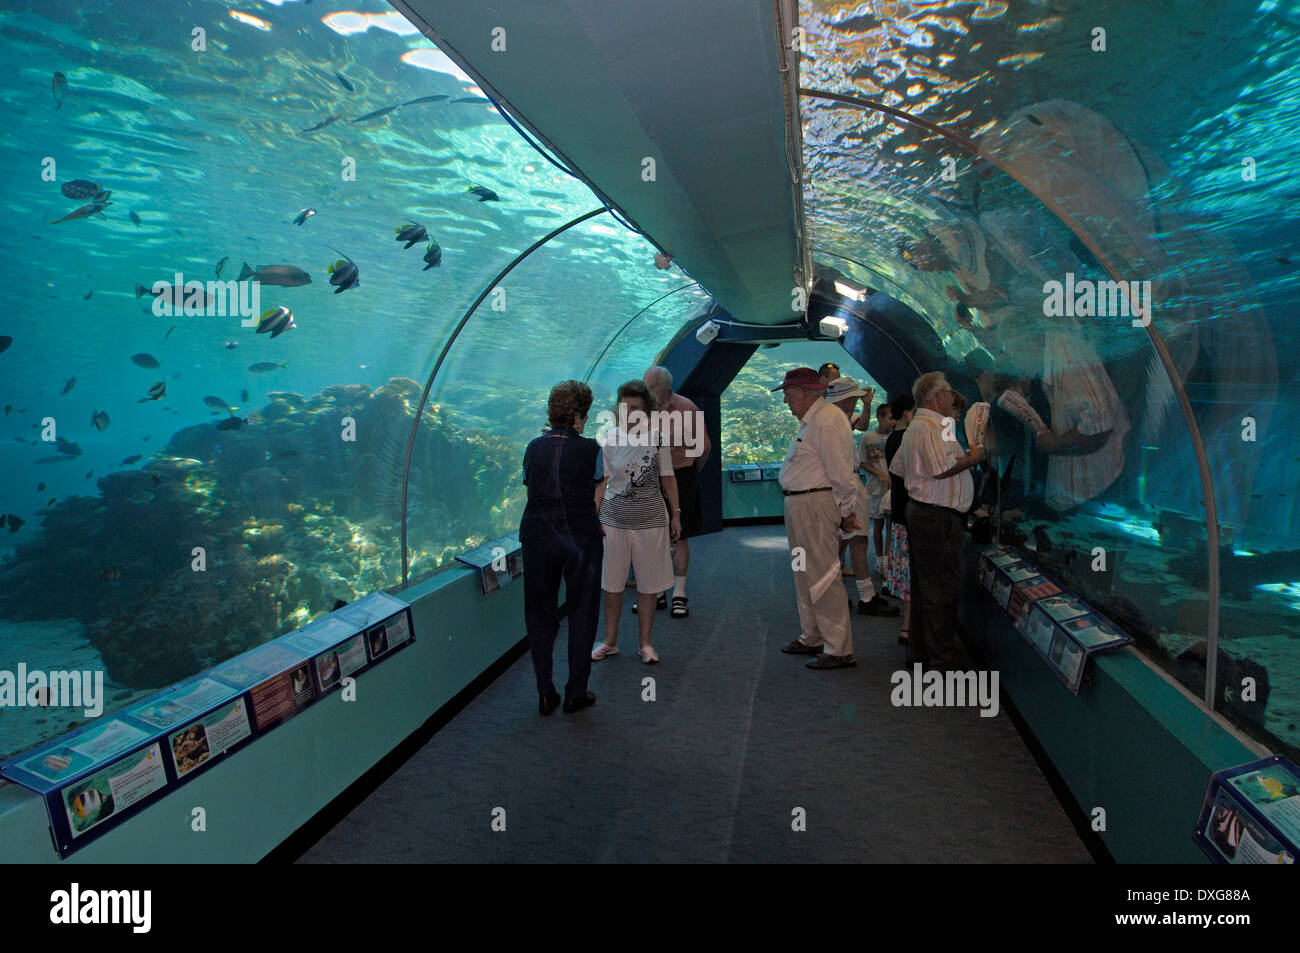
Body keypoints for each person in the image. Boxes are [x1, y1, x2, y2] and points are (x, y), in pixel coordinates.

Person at [889, 372, 985, 670]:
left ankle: (921, 654)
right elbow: (942, 469)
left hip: (926, 513)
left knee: (925, 588)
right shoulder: (930, 426)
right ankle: (941, 660)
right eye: (948, 391)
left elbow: (900, 468)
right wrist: (976, 457)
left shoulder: (921, 426)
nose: (952, 396)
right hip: (937, 518)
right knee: (941, 590)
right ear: (936, 396)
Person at [520, 380, 603, 715]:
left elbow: (531, 483)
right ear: (581, 416)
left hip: (537, 535)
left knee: (539, 612)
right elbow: (597, 486)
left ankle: (544, 691)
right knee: (582, 611)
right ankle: (575, 692)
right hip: (580, 535)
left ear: (551, 413)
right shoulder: (592, 449)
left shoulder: (532, 447)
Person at [773, 367, 862, 669]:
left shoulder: (824, 421)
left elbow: (841, 473)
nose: (785, 400)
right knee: (803, 571)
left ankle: (838, 648)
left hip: (814, 504)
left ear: (806, 392)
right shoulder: (814, 421)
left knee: (823, 574)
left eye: (788, 393)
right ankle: (812, 634)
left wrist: (847, 512)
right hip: (800, 505)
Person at [592, 380, 680, 665]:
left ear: (647, 410)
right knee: (612, 585)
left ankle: (645, 643)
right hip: (613, 521)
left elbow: (668, 477)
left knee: (648, 585)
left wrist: (676, 514)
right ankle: (610, 641)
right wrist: (596, 515)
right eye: (626, 407)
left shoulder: (656, 438)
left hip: (651, 521)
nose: (630, 413)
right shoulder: (609, 438)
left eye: (636, 408)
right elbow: (603, 482)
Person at [825, 377, 899, 616]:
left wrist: (867, 405)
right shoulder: (831, 422)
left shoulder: (834, 418)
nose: (857, 400)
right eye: (855, 397)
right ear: (846, 399)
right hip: (846, 481)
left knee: (849, 538)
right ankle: (859, 595)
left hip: (845, 481)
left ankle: (846, 593)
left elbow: (863, 424)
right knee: (852, 537)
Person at [643, 365, 712, 619]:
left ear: (666, 386)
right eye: (645, 386)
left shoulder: (687, 408)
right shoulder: (639, 409)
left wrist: (690, 473)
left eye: (652, 387)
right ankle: (657, 591)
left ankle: (679, 593)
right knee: (651, 537)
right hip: (648, 478)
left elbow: (703, 448)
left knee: (679, 536)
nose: (648, 392)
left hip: (681, 476)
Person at [883, 394, 914, 641]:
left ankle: (907, 624)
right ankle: (909, 626)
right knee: (911, 568)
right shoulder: (907, 438)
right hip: (909, 509)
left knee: (903, 566)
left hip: (898, 506)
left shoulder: (892, 438)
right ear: (907, 413)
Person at [859, 400, 895, 584]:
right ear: (879, 417)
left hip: (892, 489)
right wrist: (879, 473)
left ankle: (888, 560)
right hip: (875, 488)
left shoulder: (895, 438)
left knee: (890, 525)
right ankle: (880, 558)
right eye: (890, 417)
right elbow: (862, 462)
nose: (893, 422)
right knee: (878, 525)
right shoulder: (867, 438)